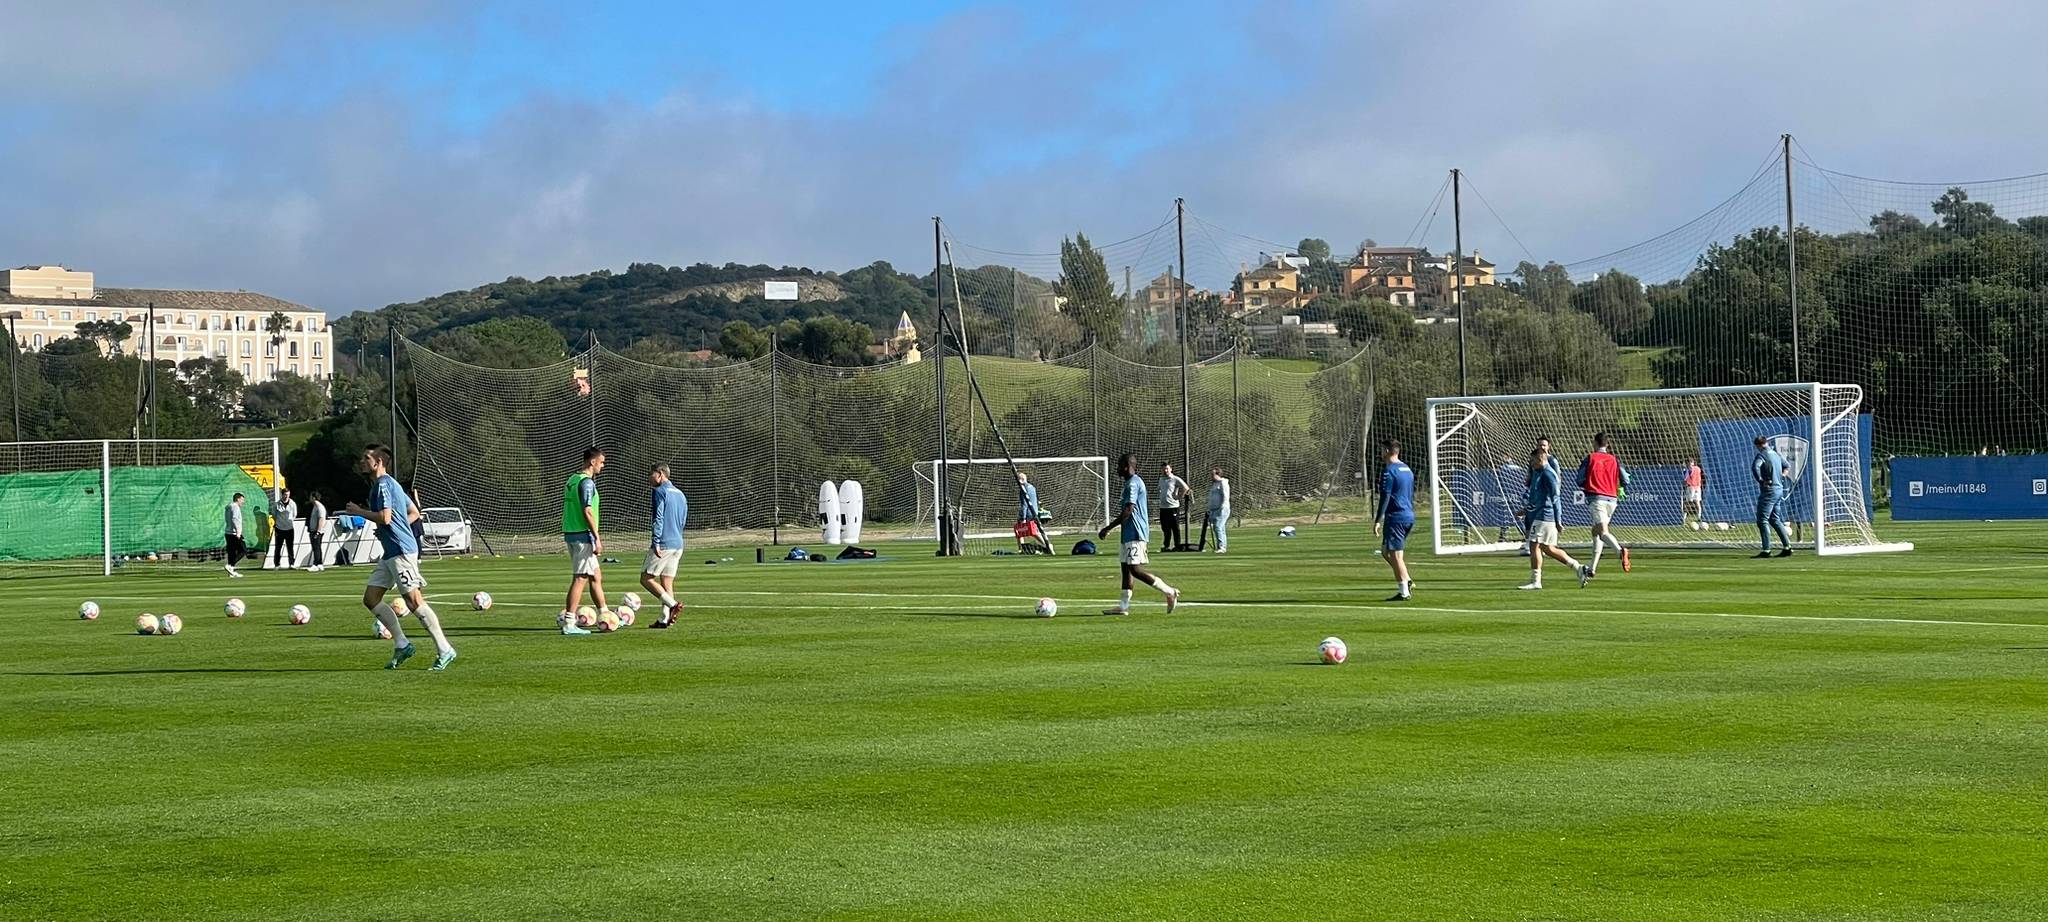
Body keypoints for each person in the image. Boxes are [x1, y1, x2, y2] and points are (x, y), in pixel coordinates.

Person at [345, 443, 455, 670]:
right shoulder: (388, 484)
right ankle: (402, 643)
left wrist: (358, 512)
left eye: (366, 458)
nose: (362, 461)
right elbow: (414, 513)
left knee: (414, 602)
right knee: (371, 599)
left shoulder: (384, 485)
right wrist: (395, 527)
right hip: (391, 552)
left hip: (401, 552)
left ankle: (445, 648)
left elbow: (385, 517)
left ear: (379, 462)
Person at [1097, 453, 1179, 615]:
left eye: (1120, 465)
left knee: (1134, 569)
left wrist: (1108, 528)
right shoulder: (1130, 483)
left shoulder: (1133, 484)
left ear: (1127, 466)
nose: (1118, 469)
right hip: (1128, 532)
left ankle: (1169, 591)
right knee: (1126, 569)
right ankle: (1123, 606)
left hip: (1135, 531)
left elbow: (1129, 509)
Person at [1520, 445, 1593, 590]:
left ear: (1541, 459)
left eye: (1533, 461)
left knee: (1534, 545)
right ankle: (1579, 568)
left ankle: (1536, 581)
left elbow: (1555, 498)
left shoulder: (1549, 474)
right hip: (1540, 514)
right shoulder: (1537, 472)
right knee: (1548, 549)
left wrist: (1558, 520)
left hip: (1545, 516)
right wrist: (1526, 509)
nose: (1531, 464)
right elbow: (1536, 497)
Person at [559, 446, 607, 635]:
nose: (602, 466)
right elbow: (587, 510)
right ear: (592, 462)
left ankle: (605, 614)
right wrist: (597, 537)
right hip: (582, 535)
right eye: (601, 462)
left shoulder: (572, 479)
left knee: (595, 576)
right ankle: (569, 622)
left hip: (571, 532)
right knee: (580, 577)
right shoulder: (587, 483)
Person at [1576, 432, 1632, 574]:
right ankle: (1592, 568)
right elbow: (1626, 480)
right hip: (1612, 500)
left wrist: (1589, 484)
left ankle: (1620, 551)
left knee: (1603, 532)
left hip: (1597, 498)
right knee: (1596, 531)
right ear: (1607, 444)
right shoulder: (1614, 459)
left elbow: (1579, 479)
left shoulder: (1590, 458)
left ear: (1595, 443)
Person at [643, 462, 689, 629]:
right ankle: (663, 619)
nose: (649, 477)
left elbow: (659, 518)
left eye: (652, 474)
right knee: (667, 582)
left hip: (664, 543)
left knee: (646, 578)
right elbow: (683, 519)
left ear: (661, 475)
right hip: (678, 543)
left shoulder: (659, 492)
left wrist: (656, 541)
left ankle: (672, 604)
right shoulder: (680, 494)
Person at [1375, 440, 1416, 601]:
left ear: (1386, 450)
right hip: (1408, 515)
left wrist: (1378, 519)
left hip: (1396, 517)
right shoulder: (1407, 469)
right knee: (1386, 551)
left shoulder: (1389, 471)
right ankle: (1407, 579)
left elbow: (1385, 497)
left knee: (1396, 555)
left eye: (1381, 450)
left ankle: (1404, 591)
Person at [1753, 436, 1793, 558]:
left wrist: (1761, 480)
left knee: (1762, 520)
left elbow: (1755, 467)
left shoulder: (1762, 455)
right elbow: (1787, 466)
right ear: (1767, 443)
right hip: (1779, 490)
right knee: (1775, 519)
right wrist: (1782, 475)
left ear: (1758, 446)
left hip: (1769, 490)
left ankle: (1766, 550)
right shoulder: (1775, 454)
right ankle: (1787, 547)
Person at [1520, 437, 1560, 557]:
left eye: (1544, 445)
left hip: (1545, 500)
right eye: (1540, 445)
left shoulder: (1551, 462)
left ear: (1549, 446)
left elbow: (1556, 479)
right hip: (1535, 495)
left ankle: (1537, 545)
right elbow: (1531, 474)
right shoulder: (1534, 461)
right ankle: (1530, 543)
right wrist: (1528, 481)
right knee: (1529, 518)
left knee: (1540, 543)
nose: (1542, 447)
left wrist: (1555, 493)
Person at [1015, 471, 1051, 554]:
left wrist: (1023, 518)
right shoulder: (1032, 487)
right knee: (1031, 531)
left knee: (1022, 530)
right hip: (1034, 512)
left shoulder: (1023, 489)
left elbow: (1024, 504)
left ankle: (1046, 545)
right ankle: (1045, 545)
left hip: (1028, 513)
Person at [1158, 463, 1192, 550]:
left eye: (1167, 469)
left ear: (1171, 469)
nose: (1165, 471)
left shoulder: (1175, 479)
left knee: (1175, 527)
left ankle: (1177, 545)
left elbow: (1186, 488)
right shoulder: (1161, 479)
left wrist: (1179, 496)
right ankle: (1166, 546)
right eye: (1163, 469)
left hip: (1173, 507)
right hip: (1163, 507)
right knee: (1165, 527)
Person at [270, 489, 299, 569]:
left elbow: (294, 514)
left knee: (290, 547)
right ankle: (277, 564)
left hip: (289, 528)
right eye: (285, 494)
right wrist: (278, 523)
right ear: (282, 495)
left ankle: (291, 564)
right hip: (279, 529)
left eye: (288, 494)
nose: (286, 496)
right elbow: (274, 514)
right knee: (278, 547)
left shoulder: (292, 504)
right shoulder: (276, 504)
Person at [223, 492, 248, 577]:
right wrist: (238, 532)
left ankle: (231, 571)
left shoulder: (229, 507)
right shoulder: (235, 507)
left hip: (228, 532)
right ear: (238, 499)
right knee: (243, 550)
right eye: (242, 500)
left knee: (232, 552)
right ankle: (230, 566)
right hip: (234, 533)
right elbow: (235, 519)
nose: (243, 502)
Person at [1207, 467, 1230, 554]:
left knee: (1218, 527)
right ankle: (1222, 546)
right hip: (1214, 509)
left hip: (1222, 509)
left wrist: (1223, 507)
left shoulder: (1223, 483)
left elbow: (1225, 496)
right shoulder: (1214, 484)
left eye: (1213, 474)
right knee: (1220, 528)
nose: (1211, 476)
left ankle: (1221, 546)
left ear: (1218, 474)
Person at [306, 491, 329, 572]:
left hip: (316, 531)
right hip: (314, 530)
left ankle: (316, 564)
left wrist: (318, 531)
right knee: (317, 547)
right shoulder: (315, 506)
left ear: (313, 497)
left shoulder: (319, 506)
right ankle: (319, 563)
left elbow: (322, 518)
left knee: (316, 547)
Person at [1681, 457, 1704, 527]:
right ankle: (1699, 517)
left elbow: (1685, 478)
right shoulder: (1698, 468)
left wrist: (1684, 470)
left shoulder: (1689, 469)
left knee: (1688, 503)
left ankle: (1683, 518)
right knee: (1697, 502)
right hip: (1698, 487)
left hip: (1691, 487)